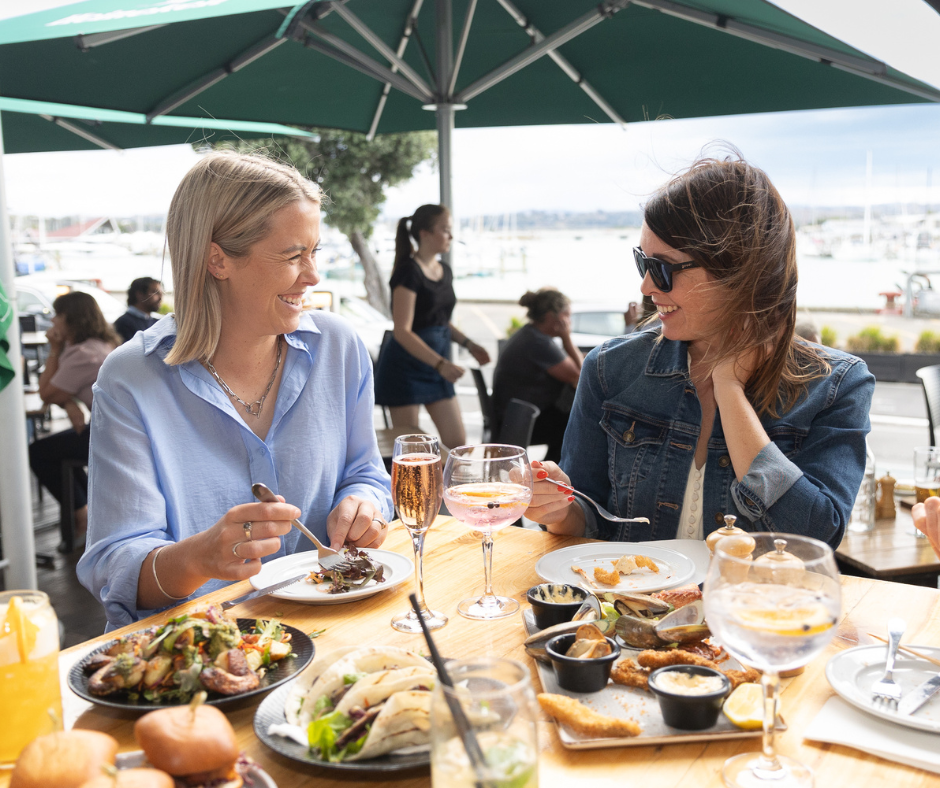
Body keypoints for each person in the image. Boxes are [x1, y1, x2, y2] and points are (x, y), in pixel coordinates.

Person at [77, 151, 393, 629]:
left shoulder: (340, 348)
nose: (312, 276)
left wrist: (366, 503)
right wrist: (198, 558)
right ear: (218, 259)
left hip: (334, 632)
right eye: (293, 255)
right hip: (197, 657)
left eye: (315, 252)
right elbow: (114, 567)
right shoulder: (131, 380)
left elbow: (365, 472)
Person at [526, 151, 875, 548]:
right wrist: (557, 509)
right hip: (629, 609)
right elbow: (588, 517)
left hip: (752, 609)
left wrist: (729, 389)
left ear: (740, 272)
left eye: (662, 269)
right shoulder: (610, 368)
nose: (646, 287)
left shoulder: (836, 386)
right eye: (643, 262)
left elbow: (816, 537)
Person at [373, 204, 490, 449]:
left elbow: (437, 318)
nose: (451, 236)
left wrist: (468, 343)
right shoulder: (408, 272)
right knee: (411, 449)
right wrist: (441, 364)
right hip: (406, 368)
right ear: (425, 233)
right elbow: (402, 330)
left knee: (457, 444)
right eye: (445, 230)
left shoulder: (444, 271)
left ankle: (441, 488)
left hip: (437, 367)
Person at [29, 291, 119, 550]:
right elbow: (58, 391)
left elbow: (46, 392)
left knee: (38, 452)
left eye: (57, 314)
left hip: (111, 434)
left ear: (71, 318)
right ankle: (86, 512)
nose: (52, 321)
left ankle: (82, 517)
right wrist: (68, 403)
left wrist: (54, 350)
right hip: (113, 428)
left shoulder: (82, 354)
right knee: (60, 450)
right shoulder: (99, 344)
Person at [491, 288, 582, 462]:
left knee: (568, 418)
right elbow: (578, 375)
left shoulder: (531, 335)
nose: (569, 321)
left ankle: (551, 469)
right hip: (520, 422)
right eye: (567, 315)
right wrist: (567, 338)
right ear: (551, 317)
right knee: (575, 422)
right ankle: (552, 473)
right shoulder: (539, 342)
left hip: (511, 417)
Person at [113, 277, 162, 342]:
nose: (160, 298)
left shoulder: (157, 322)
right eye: (155, 292)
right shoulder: (123, 324)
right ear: (140, 294)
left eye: (161, 293)